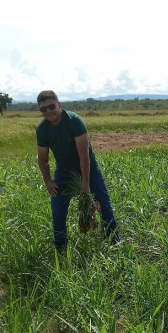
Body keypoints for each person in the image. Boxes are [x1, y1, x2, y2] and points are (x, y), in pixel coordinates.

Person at [36, 90, 119, 251]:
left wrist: (86, 184)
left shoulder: (74, 121)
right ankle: (61, 249)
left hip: (89, 169)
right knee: (58, 211)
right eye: (43, 109)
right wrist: (48, 181)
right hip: (64, 171)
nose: (48, 111)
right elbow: (42, 159)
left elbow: (84, 157)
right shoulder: (43, 129)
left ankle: (115, 242)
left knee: (104, 206)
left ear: (59, 105)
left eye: (51, 106)